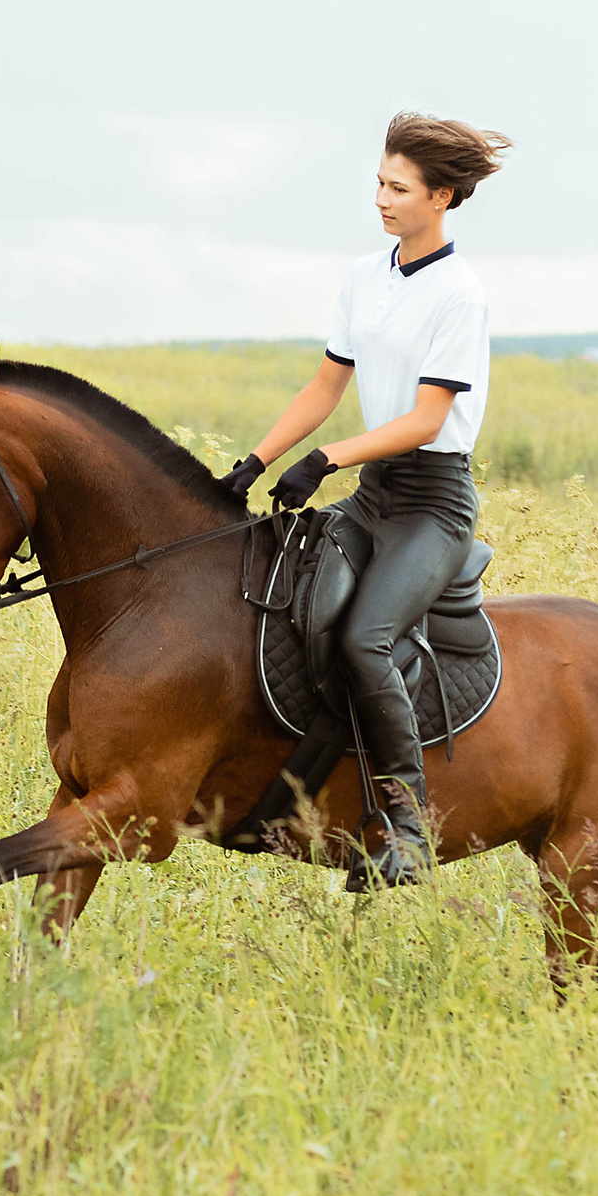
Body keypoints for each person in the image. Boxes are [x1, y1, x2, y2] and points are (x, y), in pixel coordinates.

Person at [221, 112, 508, 888]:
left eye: (397, 187)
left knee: (364, 638)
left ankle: (407, 823)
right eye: (378, 182)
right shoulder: (363, 275)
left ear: (441, 196)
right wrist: (251, 463)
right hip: (376, 494)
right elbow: (325, 386)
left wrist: (326, 458)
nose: (380, 197)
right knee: (290, 604)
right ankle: (303, 787)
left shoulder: (460, 295)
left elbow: (424, 419)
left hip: (434, 507)